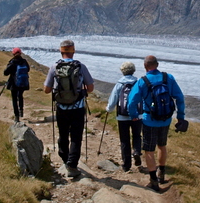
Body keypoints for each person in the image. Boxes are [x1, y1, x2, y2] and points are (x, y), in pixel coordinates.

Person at [127, 55, 186, 192]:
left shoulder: (142, 81)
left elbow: (132, 101)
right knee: (162, 146)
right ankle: (162, 174)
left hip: (149, 120)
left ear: (145, 66)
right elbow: (180, 98)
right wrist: (180, 116)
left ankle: (153, 181)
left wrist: (134, 115)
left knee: (149, 150)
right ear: (157, 65)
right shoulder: (168, 78)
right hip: (165, 119)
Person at [43, 39, 94, 179]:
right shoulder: (81, 67)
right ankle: (72, 164)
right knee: (76, 136)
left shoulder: (54, 67)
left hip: (61, 108)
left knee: (63, 134)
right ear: (73, 51)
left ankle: (65, 158)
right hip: (78, 108)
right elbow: (90, 88)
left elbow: (46, 90)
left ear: (61, 51)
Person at [106, 61, 142, 172]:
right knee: (137, 135)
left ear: (122, 71)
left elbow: (113, 99)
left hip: (122, 116)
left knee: (124, 140)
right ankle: (136, 151)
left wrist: (108, 109)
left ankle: (126, 165)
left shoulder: (119, 84)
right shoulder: (138, 83)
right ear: (133, 70)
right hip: (137, 115)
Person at [3, 47, 30, 122]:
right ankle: (21, 110)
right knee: (20, 96)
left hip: (14, 83)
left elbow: (5, 72)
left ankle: (16, 116)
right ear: (20, 53)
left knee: (14, 99)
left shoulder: (13, 62)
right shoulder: (24, 61)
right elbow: (28, 69)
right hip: (23, 83)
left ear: (13, 53)